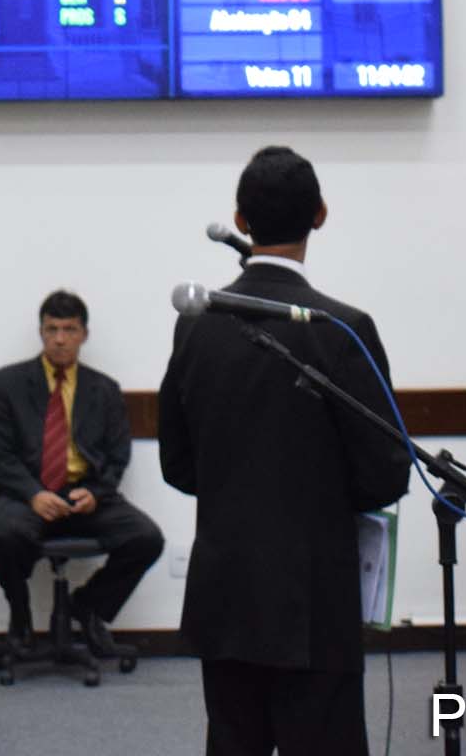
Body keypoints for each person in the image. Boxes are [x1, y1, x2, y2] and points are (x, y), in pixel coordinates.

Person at [158, 146, 408, 756]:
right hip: (314, 600)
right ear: (320, 214)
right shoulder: (342, 328)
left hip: (227, 591)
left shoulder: (196, 322)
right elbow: (385, 472)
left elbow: (177, 463)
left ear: (240, 221)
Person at [0, 290, 165, 658]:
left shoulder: (105, 390)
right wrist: (34, 494)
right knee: (5, 535)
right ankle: (20, 617)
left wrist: (97, 492)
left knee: (146, 538)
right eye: (52, 329)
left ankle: (89, 606)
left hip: (86, 496)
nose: (60, 338)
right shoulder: (6, 384)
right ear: (41, 332)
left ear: (84, 334)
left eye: (69, 329)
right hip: (27, 495)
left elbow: (117, 455)